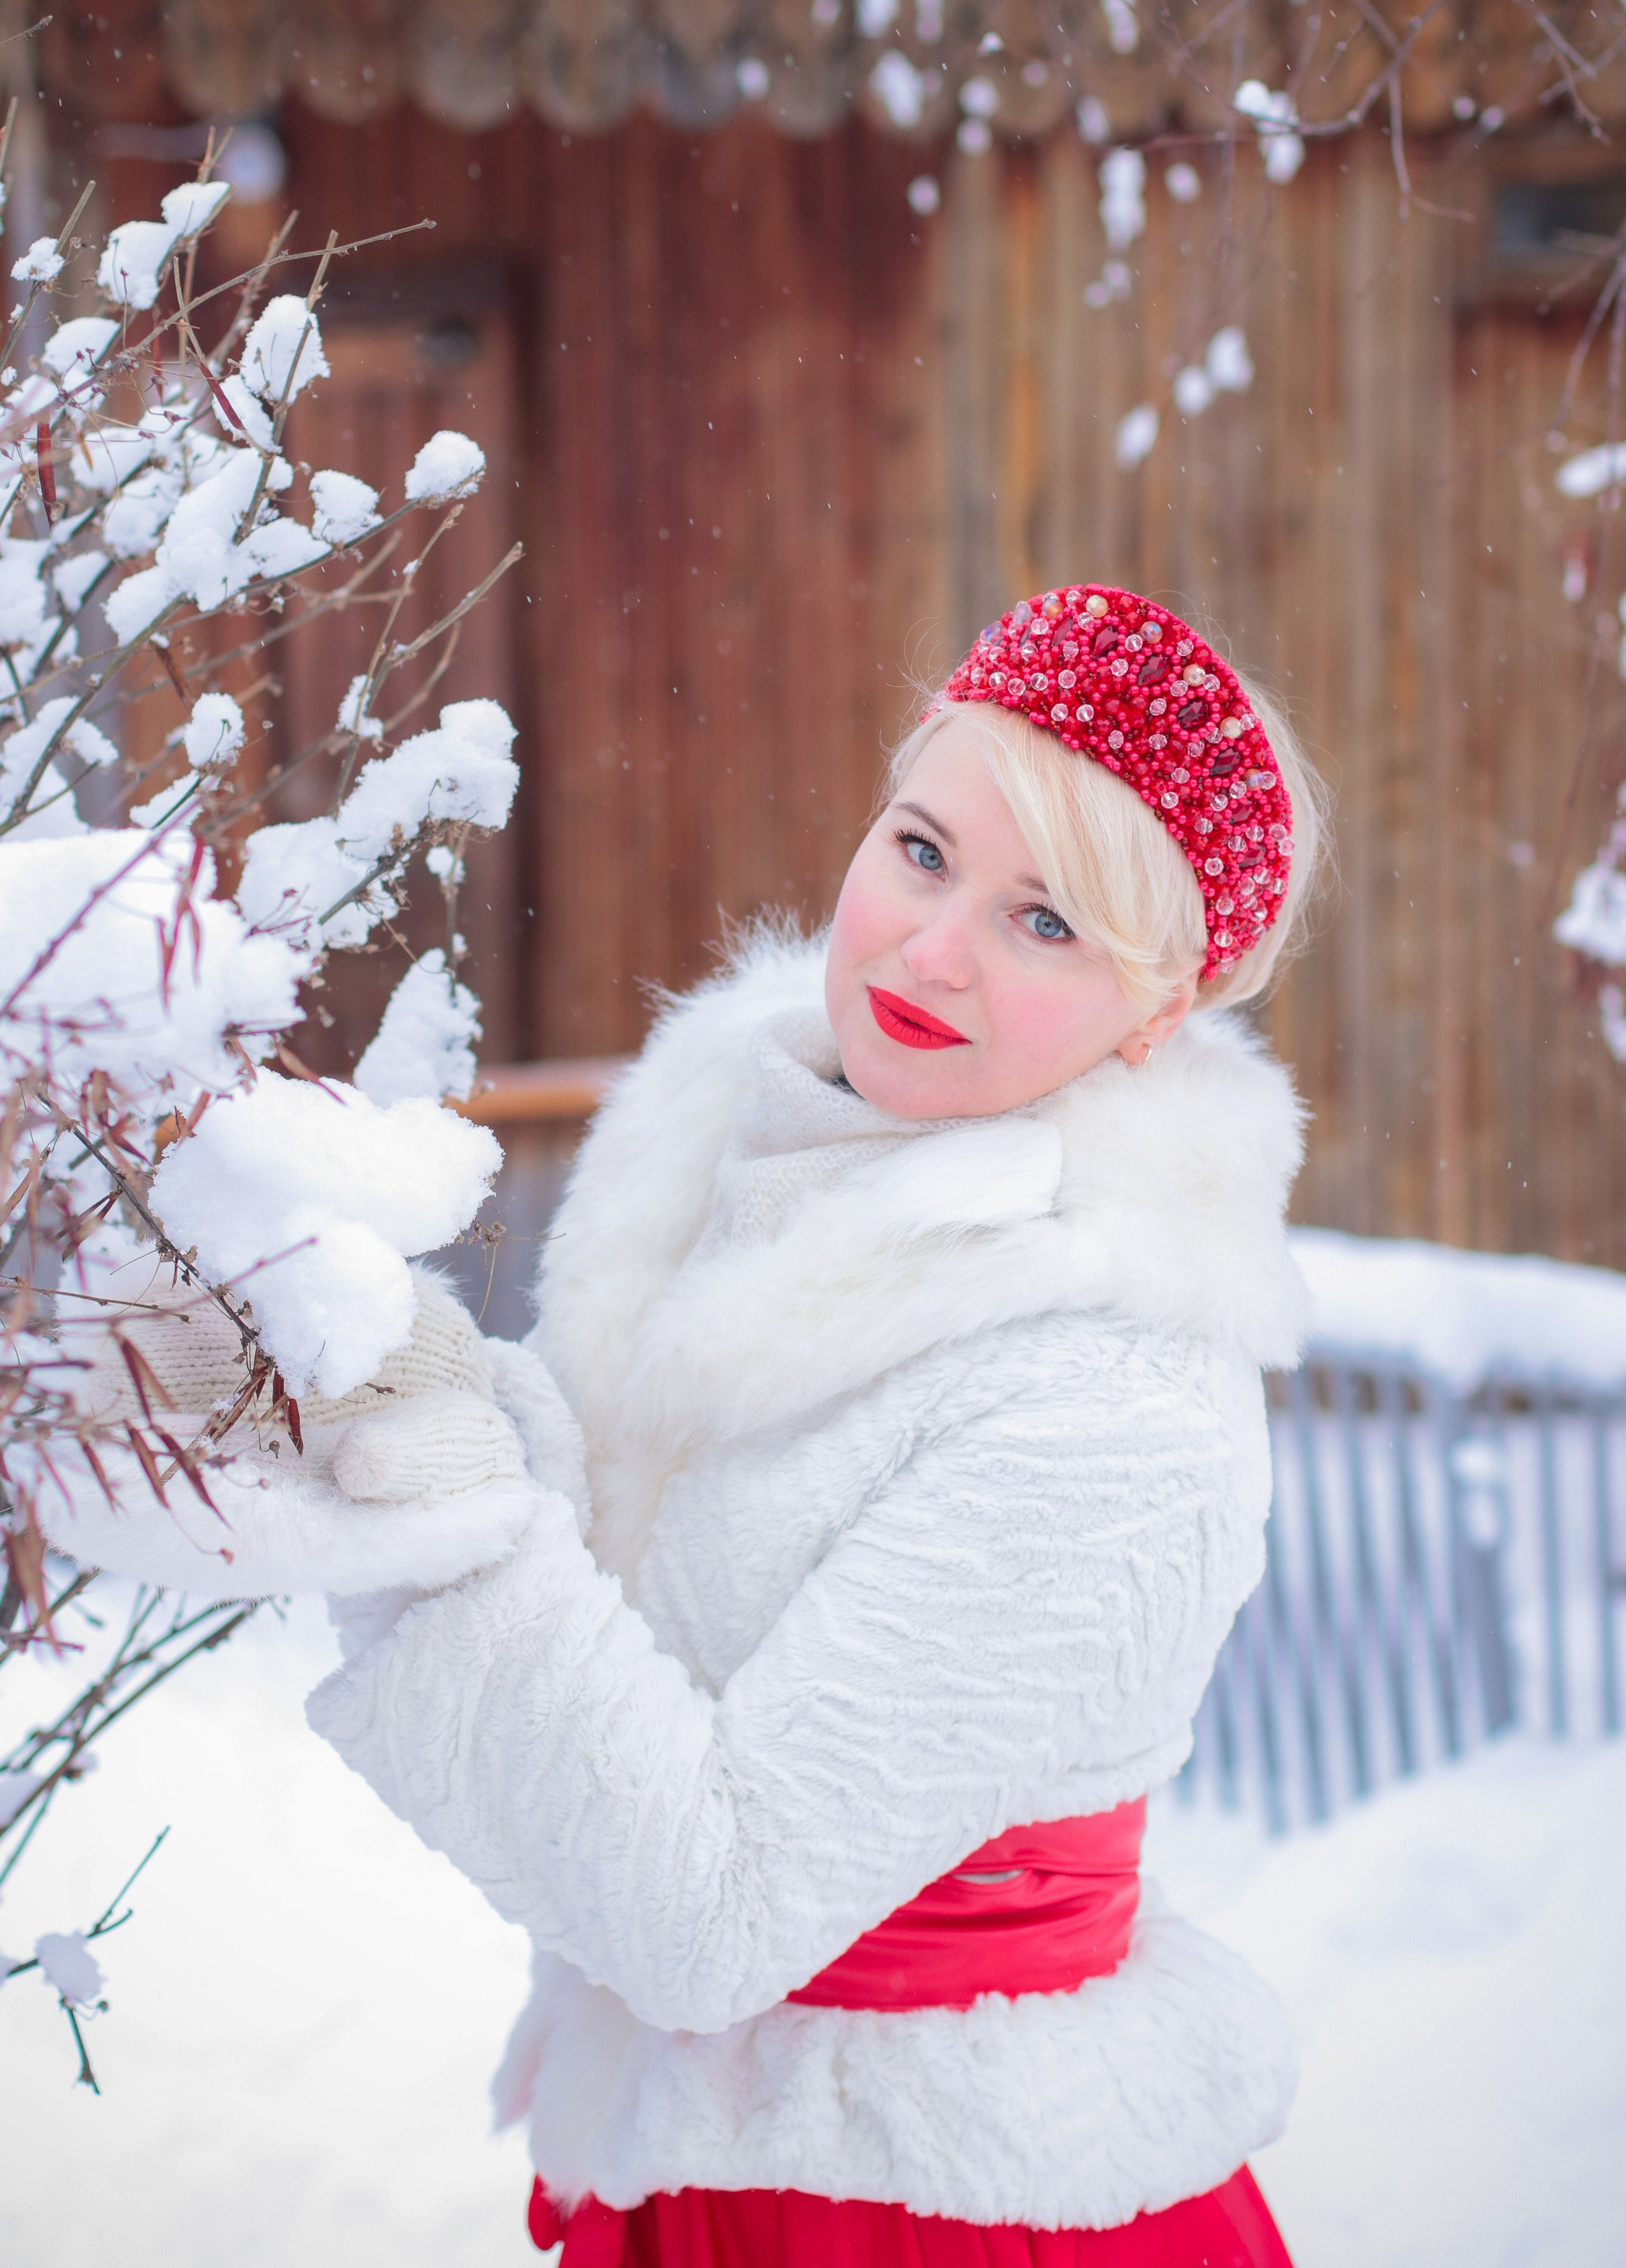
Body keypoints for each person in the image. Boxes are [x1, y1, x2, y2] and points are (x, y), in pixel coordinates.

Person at [54, 583, 1325, 2266]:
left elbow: (712, 1911)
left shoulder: (1110, 1398)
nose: (931, 948)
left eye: (1049, 922)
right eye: (926, 851)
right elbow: (609, 1600)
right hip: (701, 2176)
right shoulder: (736, 1155)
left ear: (1161, 1007)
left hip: (931, 2217)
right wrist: (337, 1368)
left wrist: (427, 1477)